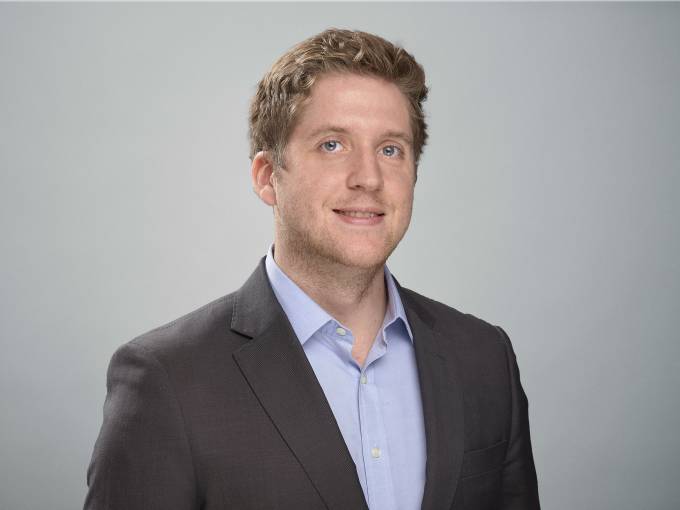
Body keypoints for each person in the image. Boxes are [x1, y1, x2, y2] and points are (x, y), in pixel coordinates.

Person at [84, 28, 540, 510]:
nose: (369, 178)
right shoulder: (168, 379)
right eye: (332, 145)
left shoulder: (484, 358)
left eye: (390, 149)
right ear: (267, 177)